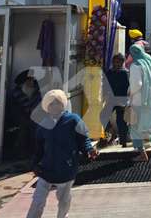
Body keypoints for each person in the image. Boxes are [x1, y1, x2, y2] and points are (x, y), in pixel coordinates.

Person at [27, 90, 98, 218]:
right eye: (51, 104)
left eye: (57, 103)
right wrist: (34, 164)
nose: (54, 106)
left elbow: (83, 139)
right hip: (46, 169)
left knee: (64, 200)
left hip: (66, 168)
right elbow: (39, 149)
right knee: (38, 201)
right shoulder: (43, 124)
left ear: (63, 104)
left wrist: (89, 150)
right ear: (46, 106)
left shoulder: (73, 120)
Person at [128, 44, 151, 162]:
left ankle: (142, 153)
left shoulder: (136, 65)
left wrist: (130, 93)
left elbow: (137, 85)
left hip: (140, 99)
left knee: (135, 125)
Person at [11, 69, 42, 158]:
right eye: (30, 80)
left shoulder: (36, 90)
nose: (32, 82)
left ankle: (37, 152)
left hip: (35, 115)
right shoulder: (17, 93)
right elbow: (25, 109)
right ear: (24, 82)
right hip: (22, 117)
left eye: (32, 80)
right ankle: (23, 152)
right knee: (28, 127)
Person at [101, 54, 130, 147]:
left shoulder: (125, 73)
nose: (116, 64)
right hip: (111, 99)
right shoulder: (109, 72)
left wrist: (128, 99)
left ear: (122, 62)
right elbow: (105, 85)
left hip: (122, 99)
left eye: (118, 62)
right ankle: (110, 134)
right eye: (115, 62)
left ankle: (123, 141)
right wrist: (104, 96)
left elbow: (129, 87)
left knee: (121, 121)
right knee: (103, 116)